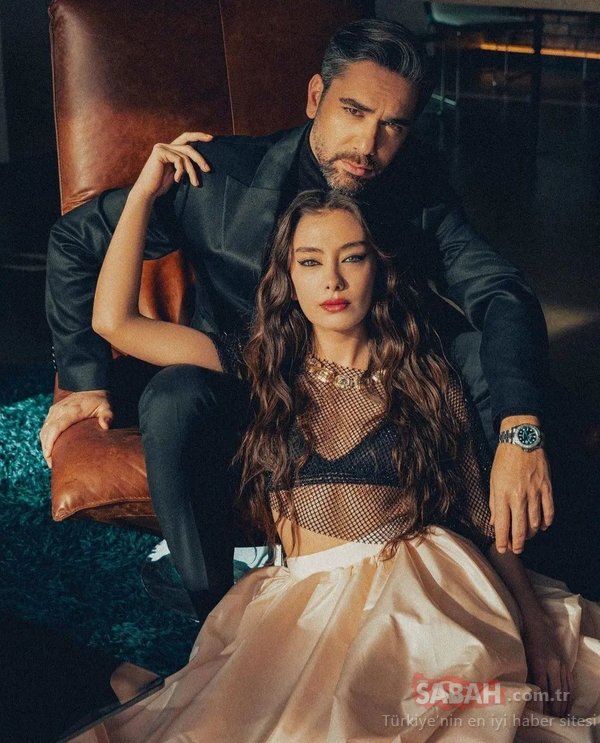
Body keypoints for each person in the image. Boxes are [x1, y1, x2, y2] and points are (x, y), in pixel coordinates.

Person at [41, 19, 556, 615]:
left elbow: (501, 292)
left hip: (372, 383)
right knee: (173, 396)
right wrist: (83, 379)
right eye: (354, 111)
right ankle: (214, 609)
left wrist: (522, 428)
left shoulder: (417, 188)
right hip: (247, 378)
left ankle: (505, 576)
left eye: (393, 125)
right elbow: (76, 243)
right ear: (316, 96)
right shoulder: (218, 177)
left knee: (479, 356)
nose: (367, 144)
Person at [72, 189, 599, 742]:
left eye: (352, 257)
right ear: (288, 276)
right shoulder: (264, 367)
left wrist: (536, 629)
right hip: (302, 605)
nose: (333, 281)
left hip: (418, 598)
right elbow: (115, 321)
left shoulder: (427, 378)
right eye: (310, 262)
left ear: (379, 267)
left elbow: (483, 522)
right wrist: (145, 189)